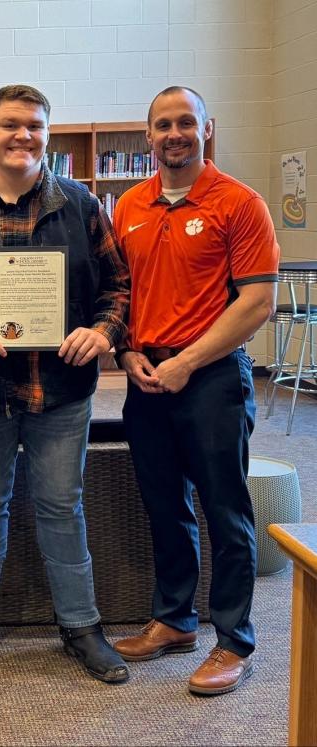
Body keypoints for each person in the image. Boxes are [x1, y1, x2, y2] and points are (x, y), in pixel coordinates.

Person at [0, 84, 131, 683]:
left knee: (62, 507)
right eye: (10, 124)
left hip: (60, 389)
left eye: (34, 126)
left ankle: (81, 624)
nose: (23, 135)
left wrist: (103, 332)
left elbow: (118, 287)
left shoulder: (83, 206)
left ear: (48, 134)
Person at [111, 86, 278, 695]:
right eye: (163, 124)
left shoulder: (240, 203)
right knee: (163, 504)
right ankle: (176, 618)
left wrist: (187, 361)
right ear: (148, 135)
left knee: (225, 509)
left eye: (186, 122)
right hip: (145, 377)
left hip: (210, 377)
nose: (174, 133)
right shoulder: (128, 204)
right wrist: (125, 350)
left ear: (207, 130)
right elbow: (118, 293)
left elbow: (256, 302)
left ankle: (234, 640)